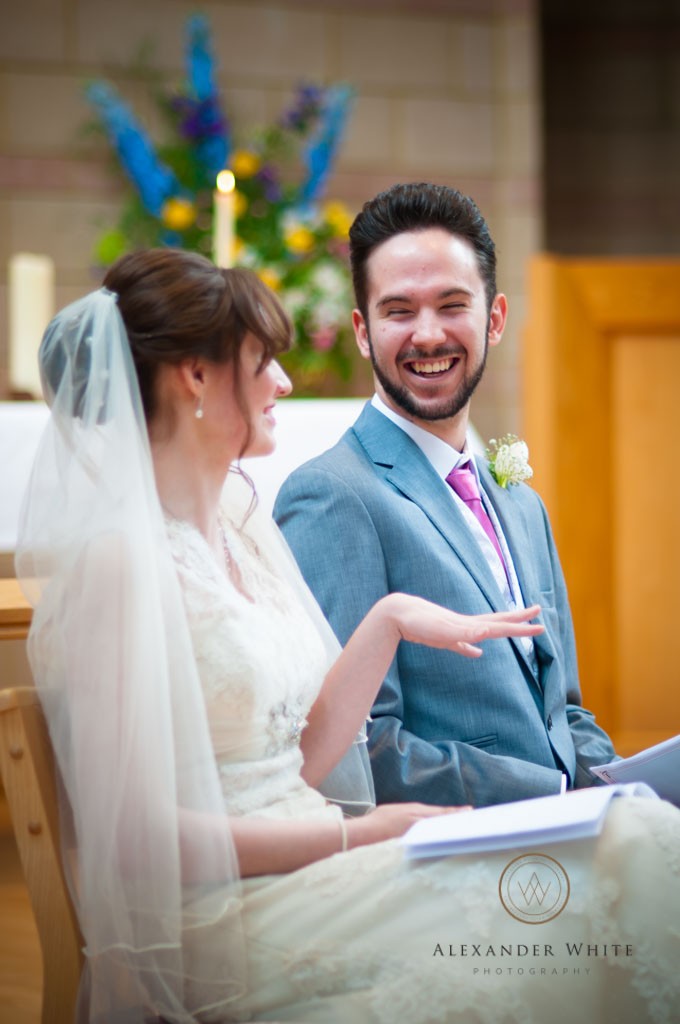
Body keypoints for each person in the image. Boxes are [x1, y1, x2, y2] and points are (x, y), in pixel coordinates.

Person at [16, 248, 679, 1023]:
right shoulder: (119, 567)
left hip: (317, 863)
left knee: (631, 844)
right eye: (262, 360)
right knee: (589, 900)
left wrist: (389, 619)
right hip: (231, 916)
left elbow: (295, 760)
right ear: (194, 375)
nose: (284, 385)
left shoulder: (241, 526)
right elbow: (137, 843)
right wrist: (353, 836)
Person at [274, 182, 617, 809]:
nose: (427, 335)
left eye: (451, 305)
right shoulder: (332, 496)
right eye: (399, 311)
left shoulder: (522, 503)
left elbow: (563, 713)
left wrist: (624, 787)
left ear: (495, 318)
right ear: (361, 330)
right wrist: (556, 793)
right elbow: (357, 747)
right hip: (450, 851)